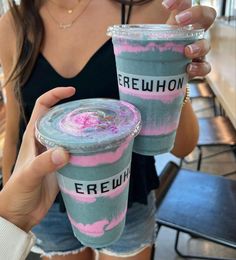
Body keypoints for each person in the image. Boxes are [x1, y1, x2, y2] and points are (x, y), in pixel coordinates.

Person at [0, 0, 216, 259]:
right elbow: (15, 133)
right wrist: (10, 207)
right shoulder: (13, 24)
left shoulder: (147, 11)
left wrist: (175, 78)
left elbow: (184, 147)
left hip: (126, 196)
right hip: (42, 203)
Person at [0, 87, 72, 260]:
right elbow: (12, 133)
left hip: (125, 193)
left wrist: (12, 217)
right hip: (45, 196)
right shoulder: (15, 58)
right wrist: (12, 214)